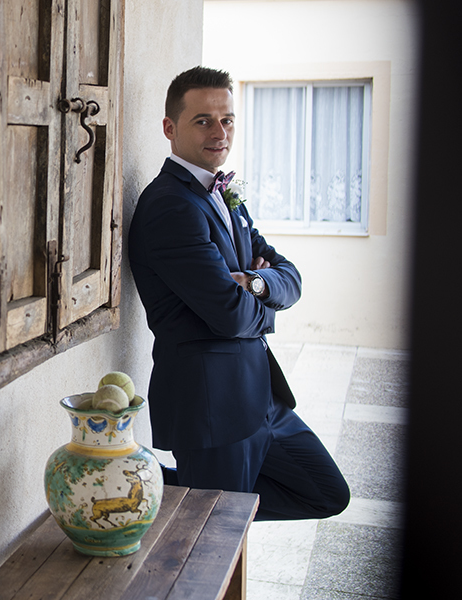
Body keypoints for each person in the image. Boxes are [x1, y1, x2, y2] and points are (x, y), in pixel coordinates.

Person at [128, 66, 349, 520]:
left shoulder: (225, 193)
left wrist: (255, 282)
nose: (220, 132)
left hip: (261, 399)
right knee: (211, 531)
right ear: (170, 128)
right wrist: (265, 306)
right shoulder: (170, 205)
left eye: (227, 119)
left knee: (327, 493)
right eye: (203, 120)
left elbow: (289, 276)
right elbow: (230, 315)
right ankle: (156, 493)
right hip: (214, 408)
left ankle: (166, 493)